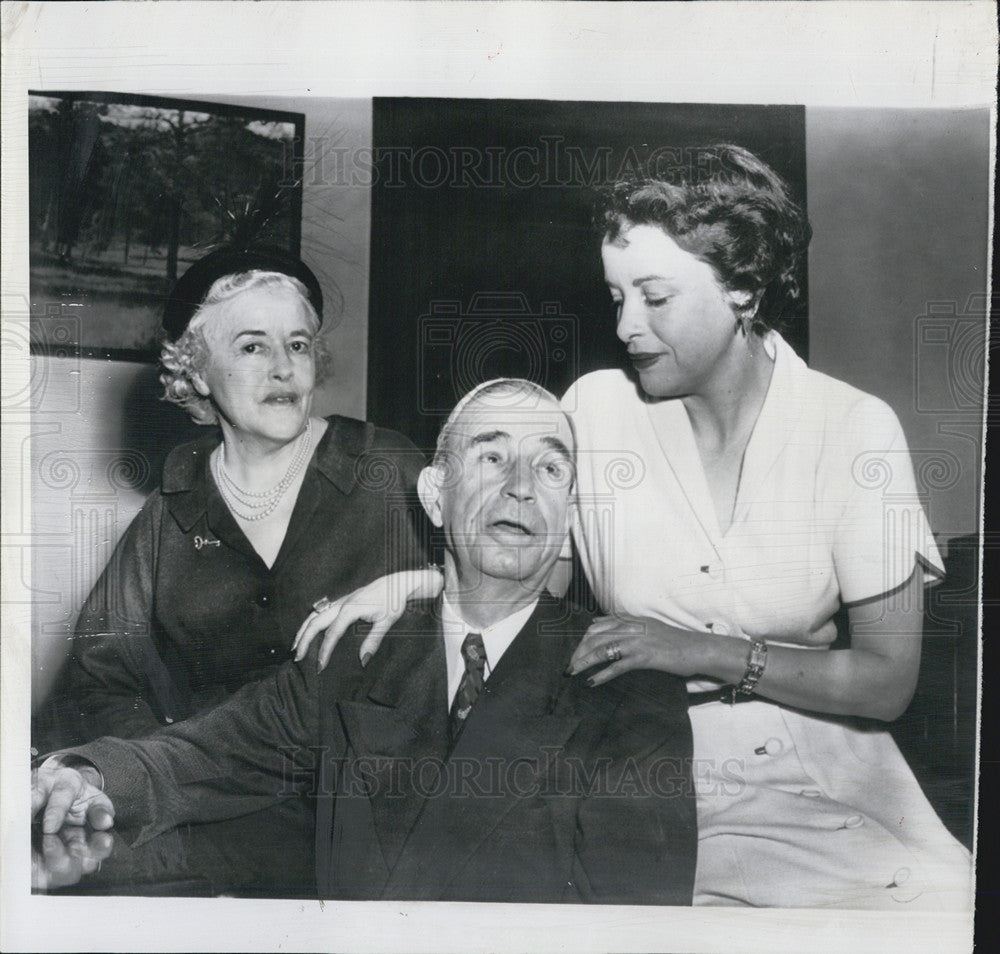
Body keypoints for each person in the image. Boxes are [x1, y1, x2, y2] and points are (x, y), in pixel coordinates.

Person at [295, 146, 972, 910]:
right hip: (635, 766)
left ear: (744, 287)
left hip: (826, 776)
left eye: (655, 297)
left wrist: (696, 650)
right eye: (616, 295)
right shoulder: (596, 409)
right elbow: (525, 581)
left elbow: (886, 683)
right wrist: (416, 582)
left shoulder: (852, 428)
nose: (626, 325)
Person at [32, 380, 697, 905]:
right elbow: (206, 757)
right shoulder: (355, 653)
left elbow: (631, 925)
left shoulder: (627, 684)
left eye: (551, 471)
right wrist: (86, 778)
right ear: (434, 496)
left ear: (571, 516)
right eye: (492, 456)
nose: (522, 487)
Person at [43, 245, 426, 894]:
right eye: (252, 347)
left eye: (299, 345)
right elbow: (97, 677)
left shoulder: (387, 469)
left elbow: (520, 590)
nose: (283, 367)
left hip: (375, 825)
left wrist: (427, 581)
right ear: (195, 371)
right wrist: (171, 764)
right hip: (208, 817)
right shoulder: (175, 504)